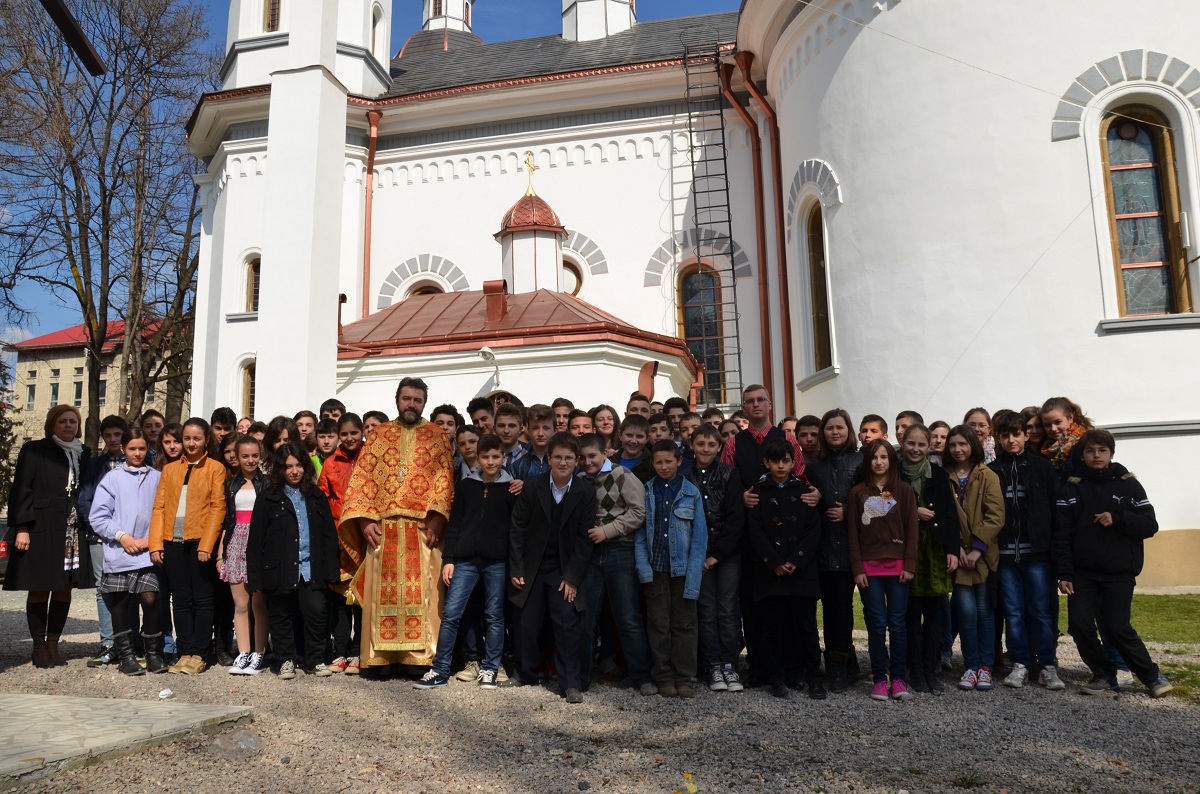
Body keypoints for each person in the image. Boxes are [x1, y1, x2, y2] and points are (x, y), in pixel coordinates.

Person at [342, 378, 454, 674]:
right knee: (383, 594)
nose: (411, 405)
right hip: (383, 527)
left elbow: (445, 480)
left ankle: (420, 658)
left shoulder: (437, 436)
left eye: (417, 400)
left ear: (424, 404)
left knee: (426, 593)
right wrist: (365, 520)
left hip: (423, 531)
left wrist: (439, 518)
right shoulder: (378, 436)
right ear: (397, 400)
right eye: (407, 399)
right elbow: (362, 479)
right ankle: (381, 660)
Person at [1054, 429, 1172, 697]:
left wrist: (1118, 518)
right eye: (1090, 451)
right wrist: (1064, 573)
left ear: (1111, 454)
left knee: (1118, 628)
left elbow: (1150, 525)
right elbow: (1061, 536)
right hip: (1082, 573)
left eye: (1102, 451)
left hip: (1119, 571)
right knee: (1080, 627)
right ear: (1082, 455)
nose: (1096, 456)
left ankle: (1152, 677)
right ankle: (1105, 675)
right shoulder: (1071, 488)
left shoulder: (1129, 485)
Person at [719, 385, 814, 687]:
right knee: (754, 604)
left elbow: (800, 476)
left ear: (770, 405)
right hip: (751, 534)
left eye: (761, 400)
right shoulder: (734, 443)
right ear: (743, 408)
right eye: (750, 401)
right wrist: (741, 500)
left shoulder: (787, 439)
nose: (756, 405)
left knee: (788, 606)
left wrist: (813, 493)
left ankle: (792, 668)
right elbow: (725, 484)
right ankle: (760, 668)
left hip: (788, 533)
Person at [414, 435, 517, 690]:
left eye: (496, 457)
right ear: (478, 458)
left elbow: (517, 530)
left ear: (503, 458)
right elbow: (456, 524)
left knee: (494, 616)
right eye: (486, 457)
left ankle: (490, 669)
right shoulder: (467, 486)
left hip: (497, 562)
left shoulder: (511, 489)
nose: (491, 462)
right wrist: (449, 559)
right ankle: (439, 669)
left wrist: (514, 565)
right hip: (465, 561)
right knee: (451, 614)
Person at [508, 432, 597, 703]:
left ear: (576, 462)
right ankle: (525, 673)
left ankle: (570, 682)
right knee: (526, 620)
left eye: (568, 458)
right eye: (557, 457)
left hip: (563, 568)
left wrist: (572, 578)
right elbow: (517, 528)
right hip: (533, 565)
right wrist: (516, 567)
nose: (562, 462)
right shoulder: (533, 486)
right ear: (549, 459)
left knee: (567, 620)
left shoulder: (584, 493)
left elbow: (584, 539)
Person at [5, 405, 95, 668]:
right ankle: (38, 646)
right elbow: (22, 487)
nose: (68, 426)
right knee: (40, 585)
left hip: (72, 532)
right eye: (62, 421)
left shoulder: (84, 454)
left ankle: (54, 645)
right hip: (40, 529)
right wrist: (21, 527)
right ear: (52, 425)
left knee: (64, 587)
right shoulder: (34, 450)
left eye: (73, 422)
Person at [246, 443, 340, 680]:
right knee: (280, 614)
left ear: (306, 468)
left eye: (299, 465)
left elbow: (329, 536)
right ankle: (285, 659)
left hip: (311, 568)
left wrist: (332, 570)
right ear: (280, 469)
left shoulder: (317, 497)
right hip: (278, 569)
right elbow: (256, 539)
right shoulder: (268, 498)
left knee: (316, 612)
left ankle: (315, 659)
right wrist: (255, 576)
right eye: (288, 467)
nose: (294, 471)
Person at [988, 410, 1063, 691]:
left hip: (1038, 555)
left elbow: (1056, 512)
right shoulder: (993, 470)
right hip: (1005, 556)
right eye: (1004, 435)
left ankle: (1047, 665)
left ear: (1026, 434)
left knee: (1041, 612)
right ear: (998, 437)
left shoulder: (1042, 468)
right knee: (1014, 612)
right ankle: (1020, 663)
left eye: (1015, 434)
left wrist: (1055, 551)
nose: (1011, 440)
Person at [576, 434, 655, 695]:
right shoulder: (578, 481)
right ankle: (581, 677)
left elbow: (639, 511)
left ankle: (641, 677)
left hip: (620, 549)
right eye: (583, 457)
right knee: (586, 617)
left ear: (605, 454)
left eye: (593, 456)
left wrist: (608, 531)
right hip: (590, 554)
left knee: (628, 617)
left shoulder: (621, 474)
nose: (588, 461)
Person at [149, 417, 227, 676]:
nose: (191, 443)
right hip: (173, 542)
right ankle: (185, 651)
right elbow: (159, 507)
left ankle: (200, 652)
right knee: (180, 599)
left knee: (203, 599)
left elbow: (218, 507)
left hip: (199, 542)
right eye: (187, 438)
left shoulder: (215, 468)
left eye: (196, 438)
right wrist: (156, 543)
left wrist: (207, 543)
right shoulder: (170, 469)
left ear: (206, 440)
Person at [747, 438, 824, 699]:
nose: (781, 466)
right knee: (772, 628)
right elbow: (755, 531)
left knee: (804, 627)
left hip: (800, 572)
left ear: (793, 462)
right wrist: (774, 562)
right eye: (775, 461)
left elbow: (813, 530)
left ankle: (811, 675)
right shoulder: (757, 491)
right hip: (771, 572)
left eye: (786, 461)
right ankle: (776, 676)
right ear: (766, 463)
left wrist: (796, 560)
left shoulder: (803, 490)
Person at [88, 427, 167, 675]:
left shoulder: (156, 477)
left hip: (146, 551)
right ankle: (126, 656)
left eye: (142, 448)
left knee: (150, 599)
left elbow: (164, 512)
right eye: (132, 448)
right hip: (119, 550)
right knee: (120, 602)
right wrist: (121, 536)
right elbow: (98, 516)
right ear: (123, 449)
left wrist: (150, 540)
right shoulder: (112, 479)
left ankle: (153, 653)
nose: (137, 453)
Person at [847, 439, 919, 702]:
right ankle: (879, 679)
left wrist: (909, 565)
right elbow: (852, 534)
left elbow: (912, 530)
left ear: (891, 460)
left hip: (899, 568)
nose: (879, 462)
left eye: (884, 457)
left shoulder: (904, 490)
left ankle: (898, 677)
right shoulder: (858, 493)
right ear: (868, 461)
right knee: (876, 625)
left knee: (897, 625)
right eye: (874, 457)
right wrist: (857, 568)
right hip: (869, 569)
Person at [634, 440, 707, 698]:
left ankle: (684, 675)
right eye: (659, 462)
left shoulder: (691, 493)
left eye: (669, 461)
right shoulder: (647, 491)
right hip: (656, 569)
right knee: (658, 623)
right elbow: (641, 534)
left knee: (685, 623)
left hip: (683, 570)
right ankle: (663, 675)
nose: (664, 466)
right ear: (653, 464)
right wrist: (644, 568)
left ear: (679, 461)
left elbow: (699, 539)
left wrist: (695, 575)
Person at [898, 424, 961, 695]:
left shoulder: (937, 474)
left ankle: (930, 667)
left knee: (935, 616)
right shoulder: (893, 474)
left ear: (928, 447)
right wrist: (914, 511)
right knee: (910, 617)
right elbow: (880, 507)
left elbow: (949, 515)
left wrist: (952, 550)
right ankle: (914, 670)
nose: (915, 449)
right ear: (902, 443)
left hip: (934, 552)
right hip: (906, 552)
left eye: (921, 445)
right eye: (911, 444)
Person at [944, 425, 1004, 691]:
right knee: (965, 612)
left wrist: (977, 549)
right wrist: (956, 548)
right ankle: (970, 665)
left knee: (984, 611)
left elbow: (996, 515)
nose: (958, 449)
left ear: (973, 446)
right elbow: (944, 516)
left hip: (982, 555)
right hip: (958, 556)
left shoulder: (987, 475)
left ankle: (985, 667)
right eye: (953, 444)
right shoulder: (944, 476)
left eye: (963, 444)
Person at [685, 424, 744, 693]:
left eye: (711, 445)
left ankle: (730, 665)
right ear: (691, 446)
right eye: (700, 444)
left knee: (728, 610)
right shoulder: (684, 476)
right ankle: (712, 665)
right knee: (706, 611)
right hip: (697, 554)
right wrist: (702, 555)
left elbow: (735, 518)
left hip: (727, 555)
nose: (706, 449)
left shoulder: (730, 474)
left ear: (719, 447)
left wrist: (718, 555)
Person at [807, 408, 861, 692]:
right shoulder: (813, 465)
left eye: (840, 427)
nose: (835, 432)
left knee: (842, 608)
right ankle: (837, 662)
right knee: (828, 609)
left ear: (848, 430)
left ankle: (841, 664)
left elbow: (884, 499)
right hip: (821, 546)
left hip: (853, 547)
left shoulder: (862, 460)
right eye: (830, 428)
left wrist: (850, 511)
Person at [77, 414, 128, 669]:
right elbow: (84, 499)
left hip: (131, 538)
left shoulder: (140, 459)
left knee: (132, 588)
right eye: (107, 435)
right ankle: (108, 643)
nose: (112, 440)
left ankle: (130, 644)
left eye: (117, 435)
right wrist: (100, 526)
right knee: (102, 588)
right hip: (99, 536)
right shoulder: (95, 465)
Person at [318, 413, 367, 674]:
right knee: (339, 598)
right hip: (338, 535)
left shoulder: (370, 457)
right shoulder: (330, 463)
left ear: (361, 432)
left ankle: (359, 651)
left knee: (360, 596)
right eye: (344, 434)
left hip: (364, 536)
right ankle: (340, 651)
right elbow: (323, 499)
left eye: (354, 433)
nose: (349, 438)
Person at [219, 435, 270, 676]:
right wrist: (221, 553)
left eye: (254, 456)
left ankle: (259, 653)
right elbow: (227, 521)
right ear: (236, 458)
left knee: (259, 603)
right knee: (241, 604)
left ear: (260, 456)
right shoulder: (230, 485)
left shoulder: (268, 484)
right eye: (245, 456)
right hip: (236, 543)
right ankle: (243, 652)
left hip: (259, 543)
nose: (250, 460)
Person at [510, 404, 554, 480]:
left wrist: (527, 485)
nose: (540, 433)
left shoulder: (564, 462)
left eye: (546, 428)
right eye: (535, 428)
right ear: (528, 430)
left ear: (555, 430)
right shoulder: (517, 466)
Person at [611, 414, 653, 483]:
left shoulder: (652, 465)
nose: (634, 441)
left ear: (647, 438)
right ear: (620, 435)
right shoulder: (609, 463)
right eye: (629, 435)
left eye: (639, 436)